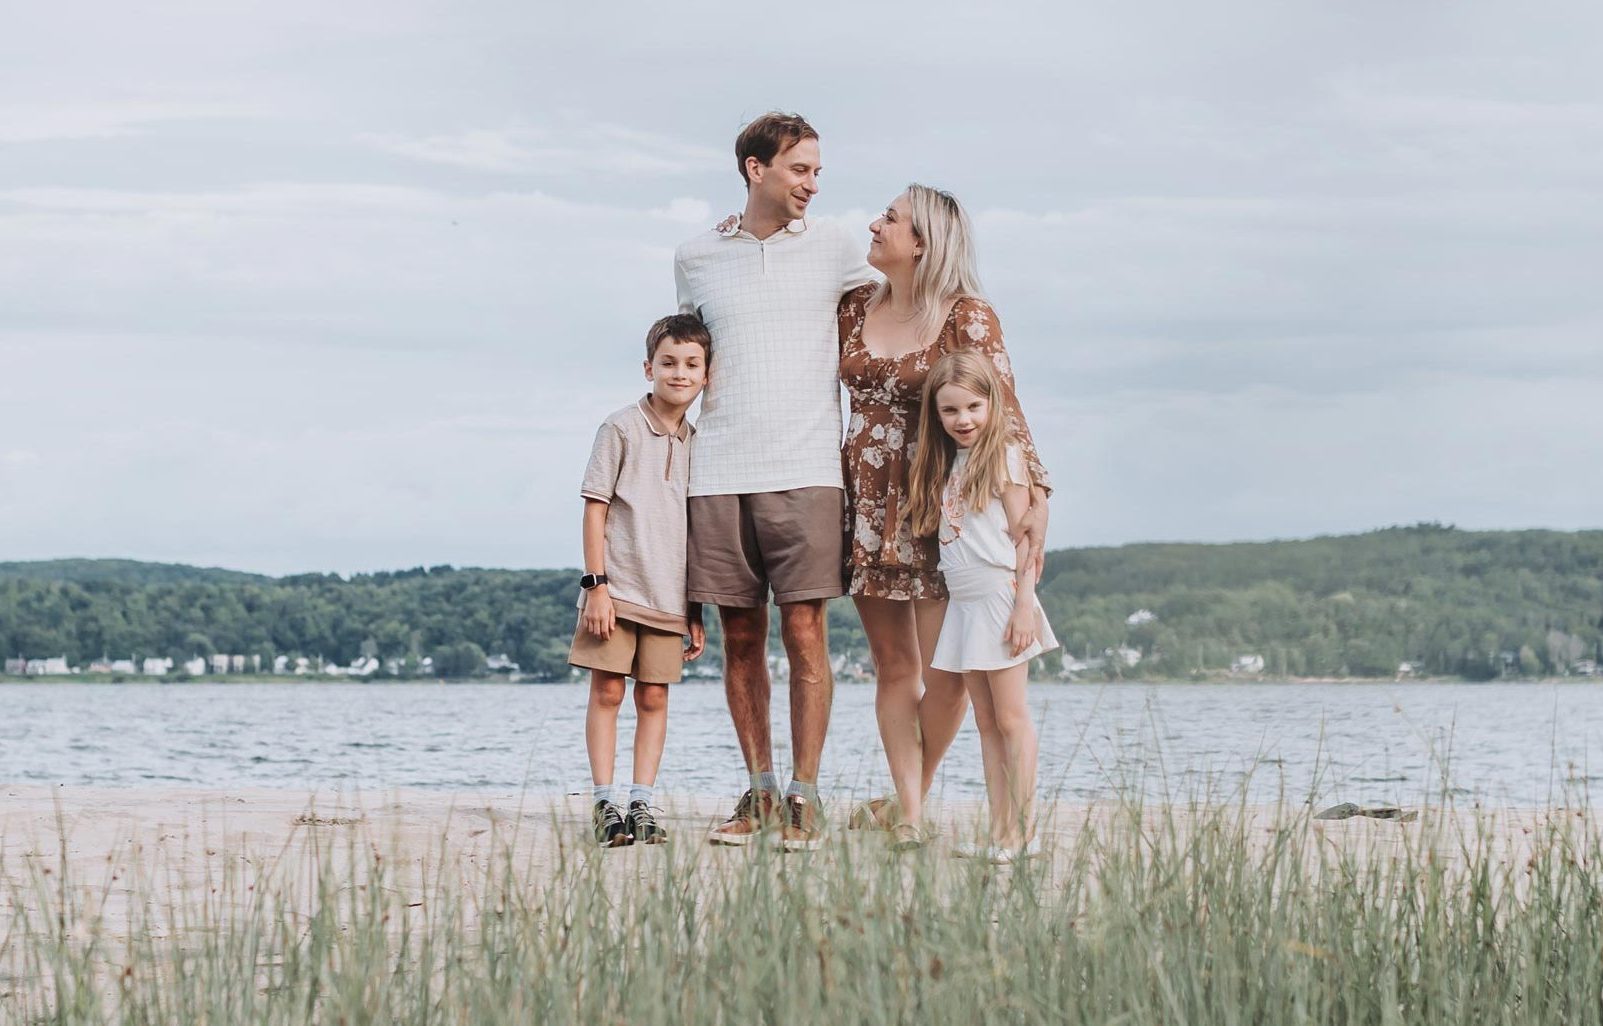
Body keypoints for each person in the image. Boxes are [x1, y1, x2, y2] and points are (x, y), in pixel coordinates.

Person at [674, 112, 876, 851]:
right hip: (718, 468)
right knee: (740, 638)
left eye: (817, 172)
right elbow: (687, 352)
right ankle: (758, 791)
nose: (812, 185)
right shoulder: (696, 256)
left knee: (804, 632)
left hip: (807, 468)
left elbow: (902, 295)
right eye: (800, 170)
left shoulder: (835, 247)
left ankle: (805, 796)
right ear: (755, 169)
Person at [838, 184, 1050, 849]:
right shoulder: (853, 304)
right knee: (893, 667)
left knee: (951, 675)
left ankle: (925, 796)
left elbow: (1003, 410)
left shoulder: (969, 315)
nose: (874, 224)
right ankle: (907, 813)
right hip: (867, 505)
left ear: (923, 241)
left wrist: (1034, 497)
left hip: (941, 505)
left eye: (890, 219)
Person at [904, 349, 1058, 863]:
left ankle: (1024, 832)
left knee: (1012, 719)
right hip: (965, 603)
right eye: (950, 411)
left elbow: (1025, 540)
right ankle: (1000, 832)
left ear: (992, 402)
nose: (963, 420)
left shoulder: (1005, 454)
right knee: (987, 724)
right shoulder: (954, 460)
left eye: (973, 406)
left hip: (1000, 596)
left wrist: (1024, 605)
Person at [570, 314, 710, 847]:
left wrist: (695, 608)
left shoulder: (701, 442)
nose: (679, 373)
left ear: (706, 376)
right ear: (649, 368)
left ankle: (642, 803)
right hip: (616, 589)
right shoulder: (620, 427)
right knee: (607, 691)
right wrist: (595, 586)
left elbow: (697, 532)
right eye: (669, 363)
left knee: (654, 698)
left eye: (691, 365)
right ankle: (605, 803)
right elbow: (594, 508)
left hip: (669, 596)